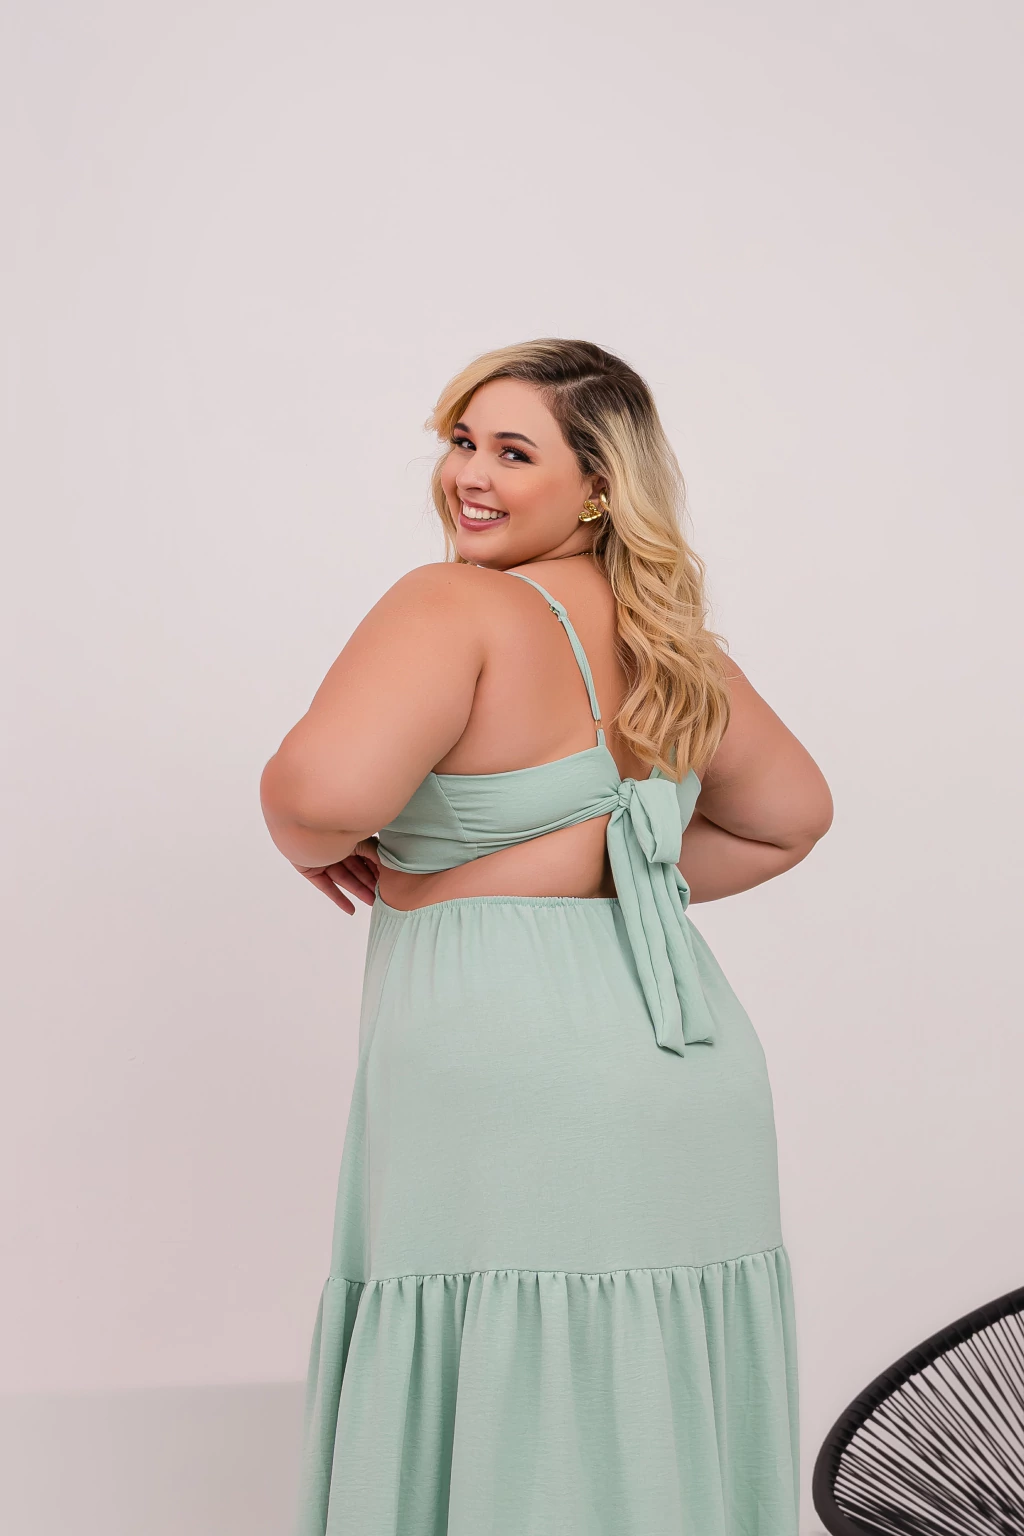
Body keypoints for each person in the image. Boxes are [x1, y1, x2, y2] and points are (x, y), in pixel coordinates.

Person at [260, 338, 833, 1535]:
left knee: (505, 1370)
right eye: (461, 441)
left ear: (598, 486)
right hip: (690, 1068)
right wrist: (622, 870)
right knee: (643, 1384)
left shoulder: (451, 603)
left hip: (506, 1061)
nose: (469, 475)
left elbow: (318, 797)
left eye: (513, 453)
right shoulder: (670, 640)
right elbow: (789, 820)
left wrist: (311, 841)